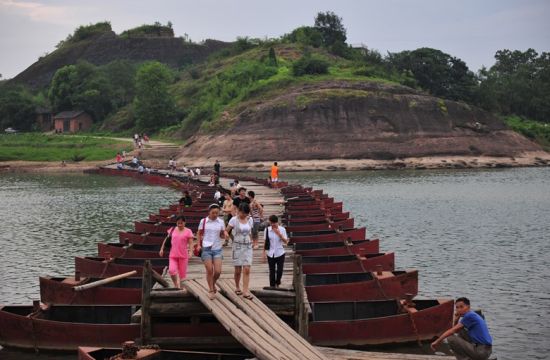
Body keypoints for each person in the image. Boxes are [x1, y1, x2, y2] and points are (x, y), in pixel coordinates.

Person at [197, 204, 227, 300]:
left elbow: (222, 235)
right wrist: (198, 244)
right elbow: (199, 233)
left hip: (217, 248)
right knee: (209, 270)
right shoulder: (204, 221)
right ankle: (211, 290)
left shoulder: (221, 222)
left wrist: (225, 234)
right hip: (206, 248)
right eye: (213, 213)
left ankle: (213, 283)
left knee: (218, 271)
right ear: (209, 212)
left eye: (217, 213)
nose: (215, 214)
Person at [226, 203, 254, 299]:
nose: (244, 215)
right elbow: (227, 230)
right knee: (238, 269)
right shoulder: (234, 220)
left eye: (246, 213)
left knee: (247, 268)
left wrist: (252, 241)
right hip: (237, 245)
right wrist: (231, 238)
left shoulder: (250, 220)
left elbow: (250, 232)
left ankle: (245, 290)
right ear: (239, 210)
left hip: (248, 245)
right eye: (242, 213)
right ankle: (237, 286)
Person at [159, 216, 194, 289]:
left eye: (181, 223)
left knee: (182, 276)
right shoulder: (172, 229)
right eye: (178, 223)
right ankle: (176, 284)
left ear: (185, 223)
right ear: (176, 223)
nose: (180, 225)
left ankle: (181, 288)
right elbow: (166, 239)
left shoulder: (188, 231)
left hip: (183, 256)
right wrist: (162, 249)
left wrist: (191, 252)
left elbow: (191, 243)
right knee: (171, 270)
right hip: (173, 255)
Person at [263, 215, 288, 288]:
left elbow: (286, 242)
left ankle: (278, 282)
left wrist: (279, 234)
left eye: (274, 223)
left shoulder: (282, 229)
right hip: (270, 253)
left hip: (280, 252)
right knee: (272, 271)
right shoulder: (267, 230)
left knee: (280, 270)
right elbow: (265, 241)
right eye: (271, 223)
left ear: (277, 222)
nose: (273, 225)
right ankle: (272, 286)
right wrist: (263, 253)